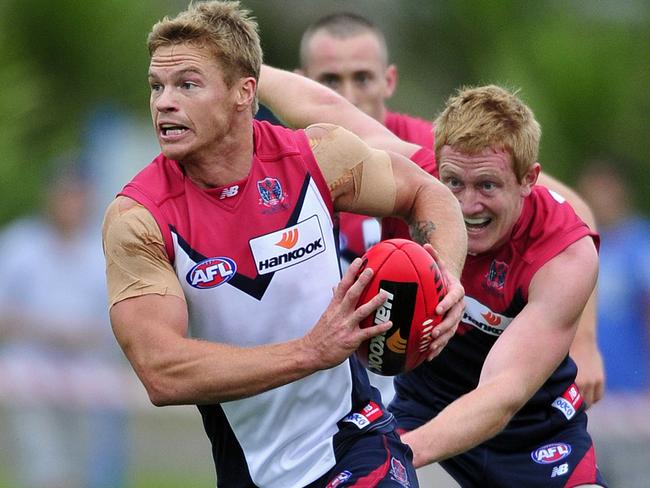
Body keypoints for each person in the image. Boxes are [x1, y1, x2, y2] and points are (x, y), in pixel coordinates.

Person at [101, 2, 468, 487]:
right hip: (252, 471)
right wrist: (310, 352)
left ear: (243, 92)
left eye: (187, 84)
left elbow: (428, 192)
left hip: (355, 439)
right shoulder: (139, 217)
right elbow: (161, 371)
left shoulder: (316, 156)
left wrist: (446, 277)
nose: (165, 102)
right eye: (157, 86)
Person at [257, 68, 607, 487]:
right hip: (416, 402)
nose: (466, 204)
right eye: (453, 182)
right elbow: (323, 108)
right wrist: (238, 64)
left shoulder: (564, 254)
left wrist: (399, 454)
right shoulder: (411, 175)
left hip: (531, 429)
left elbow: (500, 395)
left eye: (488, 185)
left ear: (528, 179)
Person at [295, 12, 605, 409]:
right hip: (330, 373)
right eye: (330, 81)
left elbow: (572, 211)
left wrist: (585, 340)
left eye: (362, 78)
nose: (348, 96)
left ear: (389, 80)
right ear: (306, 81)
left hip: (414, 375)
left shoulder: (439, 150)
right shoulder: (291, 160)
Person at [0, 161, 129, 488]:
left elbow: (118, 322)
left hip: (87, 377)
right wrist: (45, 329)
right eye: (64, 194)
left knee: (81, 470)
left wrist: (79, 334)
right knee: (44, 468)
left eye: (77, 195)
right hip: (29, 374)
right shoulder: (20, 244)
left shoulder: (102, 250)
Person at [576, 159, 650, 393]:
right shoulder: (576, 242)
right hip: (581, 380)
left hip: (633, 384)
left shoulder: (640, 243)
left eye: (606, 190)